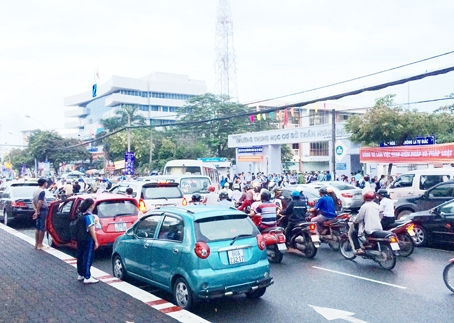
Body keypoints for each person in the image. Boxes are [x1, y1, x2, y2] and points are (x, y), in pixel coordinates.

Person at [76, 198, 100, 284]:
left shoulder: (81, 214)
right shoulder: (89, 216)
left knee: (80, 255)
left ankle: (81, 273)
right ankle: (87, 276)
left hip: (80, 238)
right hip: (88, 239)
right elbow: (91, 230)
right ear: (91, 206)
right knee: (88, 256)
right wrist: (96, 241)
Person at [32, 178, 49, 250]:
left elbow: (33, 202)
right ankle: (40, 244)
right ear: (44, 183)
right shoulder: (42, 192)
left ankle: (36, 243)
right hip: (42, 210)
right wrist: (38, 211)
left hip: (38, 210)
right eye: (46, 183)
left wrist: (36, 211)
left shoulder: (35, 191)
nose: (47, 184)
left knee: (37, 227)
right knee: (42, 227)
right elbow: (40, 202)